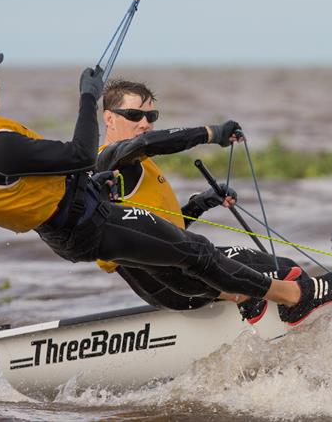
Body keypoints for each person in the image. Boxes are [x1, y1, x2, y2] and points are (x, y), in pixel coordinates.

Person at [0, 47, 332, 326]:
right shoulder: (7, 148)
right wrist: (89, 99)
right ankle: (293, 296)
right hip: (89, 227)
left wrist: (200, 204)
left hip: (73, 229)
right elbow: (86, 154)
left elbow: (145, 217)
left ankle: (251, 298)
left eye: (151, 115)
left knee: (192, 255)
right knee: (206, 254)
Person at [95, 78, 311, 324]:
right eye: (134, 115)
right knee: (287, 272)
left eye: (151, 115)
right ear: (109, 118)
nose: (145, 123)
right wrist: (211, 133)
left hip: (173, 278)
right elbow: (147, 143)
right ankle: (296, 318)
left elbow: (163, 233)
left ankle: (262, 328)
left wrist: (201, 203)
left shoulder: (138, 164)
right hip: (169, 283)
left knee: (283, 268)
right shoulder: (108, 161)